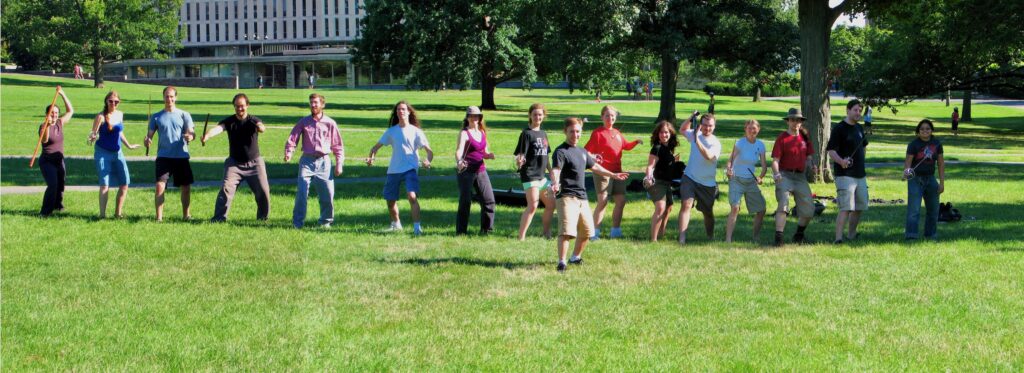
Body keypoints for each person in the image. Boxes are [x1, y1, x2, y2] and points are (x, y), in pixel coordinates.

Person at [551, 117, 629, 272]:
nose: (575, 134)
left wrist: (613, 175)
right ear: (565, 131)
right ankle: (562, 262)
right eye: (572, 131)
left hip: (582, 197)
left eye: (578, 131)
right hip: (566, 196)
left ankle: (575, 258)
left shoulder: (582, 152)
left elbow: (596, 167)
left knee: (587, 231)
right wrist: (555, 182)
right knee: (566, 231)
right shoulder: (560, 152)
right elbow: (556, 169)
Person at [366, 100, 434, 235]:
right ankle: (396, 225)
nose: (400, 112)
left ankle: (417, 228)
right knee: (390, 201)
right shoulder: (391, 131)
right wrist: (371, 158)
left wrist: (427, 161)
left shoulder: (416, 131)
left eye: (403, 109)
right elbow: (375, 148)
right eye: (398, 110)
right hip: (394, 169)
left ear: (408, 112)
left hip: (410, 168)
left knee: (412, 196)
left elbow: (429, 151)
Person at [202, 93, 272, 222]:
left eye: (242, 106)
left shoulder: (253, 120)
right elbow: (218, 128)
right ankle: (218, 218)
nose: (240, 109)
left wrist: (260, 127)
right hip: (234, 163)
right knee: (226, 189)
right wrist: (207, 135)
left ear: (247, 106)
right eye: (237, 106)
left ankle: (263, 218)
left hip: (254, 163)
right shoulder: (229, 121)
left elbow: (262, 128)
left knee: (263, 190)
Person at [284, 93, 345, 229]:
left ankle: (325, 222)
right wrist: (289, 153)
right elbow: (293, 138)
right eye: (311, 102)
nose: (313, 105)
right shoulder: (303, 122)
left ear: (322, 105)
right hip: (307, 161)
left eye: (316, 102)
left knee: (327, 194)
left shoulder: (330, 123)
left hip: (324, 161)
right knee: (302, 193)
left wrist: (339, 164)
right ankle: (297, 223)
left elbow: (338, 145)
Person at [583, 105, 642, 239]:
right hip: (602, 172)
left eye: (613, 116)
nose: (610, 118)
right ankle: (594, 232)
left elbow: (625, 146)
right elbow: (586, 151)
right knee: (603, 202)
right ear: (602, 117)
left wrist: (636, 142)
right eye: (607, 116)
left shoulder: (617, 132)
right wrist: (593, 157)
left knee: (621, 201)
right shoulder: (597, 133)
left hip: (618, 172)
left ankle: (615, 231)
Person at [144, 86, 196, 221]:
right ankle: (159, 218)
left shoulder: (184, 115)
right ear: (163, 98)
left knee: (185, 187)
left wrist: (190, 136)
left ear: (176, 98)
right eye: (167, 96)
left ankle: (186, 215)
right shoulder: (156, 117)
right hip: (163, 157)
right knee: (159, 186)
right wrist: (147, 140)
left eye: (172, 96)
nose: (169, 99)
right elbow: (149, 135)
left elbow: (191, 132)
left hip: (181, 156)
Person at [88, 91, 141, 218]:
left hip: (118, 153)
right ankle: (102, 215)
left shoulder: (120, 114)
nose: (113, 104)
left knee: (124, 183)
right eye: (111, 101)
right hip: (103, 153)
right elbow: (92, 134)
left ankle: (118, 213)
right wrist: (92, 137)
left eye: (116, 102)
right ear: (106, 101)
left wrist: (129, 145)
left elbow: (119, 133)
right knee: (105, 185)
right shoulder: (100, 117)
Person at [771, 108, 817, 246]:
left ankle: (799, 235)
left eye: (798, 120)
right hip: (785, 175)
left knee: (809, 210)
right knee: (783, 204)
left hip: (800, 177)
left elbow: (809, 157)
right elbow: (775, 160)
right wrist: (776, 173)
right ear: (788, 121)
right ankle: (778, 239)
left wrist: (812, 166)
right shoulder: (782, 138)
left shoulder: (804, 138)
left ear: (801, 122)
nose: (795, 122)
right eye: (792, 120)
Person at [826, 99, 868, 244]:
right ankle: (838, 238)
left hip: (860, 175)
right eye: (855, 110)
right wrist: (841, 161)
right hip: (845, 175)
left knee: (859, 207)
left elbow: (863, 147)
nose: (858, 113)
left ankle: (851, 234)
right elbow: (831, 151)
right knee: (846, 207)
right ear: (848, 110)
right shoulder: (840, 128)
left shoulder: (859, 128)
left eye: (860, 111)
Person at [678, 111, 721, 244]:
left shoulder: (716, 143)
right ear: (700, 125)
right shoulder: (695, 134)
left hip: (707, 183)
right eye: (705, 125)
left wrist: (697, 140)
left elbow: (708, 156)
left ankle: (710, 236)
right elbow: (682, 129)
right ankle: (682, 239)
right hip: (689, 177)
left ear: (714, 126)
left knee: (707, 212)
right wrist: (691, 118)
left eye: (710, 126)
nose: (707, 128)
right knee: (686, 205)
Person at [514, 103, 555, 241]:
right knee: (533, 206)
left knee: (551, 204)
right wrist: (519, 161)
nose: (538, 117)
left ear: (544, 116)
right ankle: (521, 237)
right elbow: (520, 155)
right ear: (530, 116)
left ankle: (546, 233)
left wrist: (551, 172)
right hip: (530, 175)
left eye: (540, 114)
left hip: (542, 176)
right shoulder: (526, 134)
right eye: (535, 114)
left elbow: (546, 156)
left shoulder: (543, 133)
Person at [454, 106, 497, 235]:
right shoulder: (464, 133)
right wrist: (459, 161)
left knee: (489, 200)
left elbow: (484, 151)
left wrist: (489, 155)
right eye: (471, 116)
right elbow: (459, 150)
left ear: (480, 118)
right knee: (465, 201)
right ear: (467, 117)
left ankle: (486, 230)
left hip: (481, 170)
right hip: (466, 171)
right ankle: (461, 232)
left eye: (477, 116)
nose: (474, 118)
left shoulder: (482, 132)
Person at [724, 119, 767, 244]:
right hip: (736, 179)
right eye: (749, 128)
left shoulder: (760, 145)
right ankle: (728, 239)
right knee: (735, 208)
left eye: (754, 128)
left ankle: (755, 237)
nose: (752, 130)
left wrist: (760, 177)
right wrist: (729, 169)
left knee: (761, 209)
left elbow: (764, 166)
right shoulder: (740, 143)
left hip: (751, 181)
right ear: (745, 129)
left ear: (758, 129)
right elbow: (730, 160)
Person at [903, 119, 945, 240]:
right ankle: (911, 236)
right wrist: (906, 173)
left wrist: (941, 183)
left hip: (931, 179)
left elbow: (941, 164)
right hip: (915, 180)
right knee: (914, 210)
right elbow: (908, 164)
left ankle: (930, 234)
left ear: (931, 130)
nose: (925, 131)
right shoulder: (913, 145)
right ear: (918, 132)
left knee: (933, 210)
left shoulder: (937, 144)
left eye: (927, 128)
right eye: (922, 129)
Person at [37, 85, 74, 217]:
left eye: (56, 113)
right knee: (53, 184)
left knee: (60, 185)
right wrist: (47, 124)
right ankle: (45, 212)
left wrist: (62, 94)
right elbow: (45, 140)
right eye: (52, 113)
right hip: (47, 161)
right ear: (47, 114)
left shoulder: (59, 123)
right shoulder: (43, 126)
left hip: (59, 160)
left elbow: (70, 111)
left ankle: (58, 206)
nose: (54, 115)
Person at [643, 121, 679, 242]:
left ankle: (661, 234)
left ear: (671, 133)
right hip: (656, 182)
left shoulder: (669, 148)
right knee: (660, 208)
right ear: (658, 134)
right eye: (662, 132)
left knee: (668, 207)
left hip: (667, 182)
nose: (664, 135)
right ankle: (653, 240)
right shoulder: (657, 148)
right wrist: (649, 177)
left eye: (666, 132)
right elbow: (650, 166)